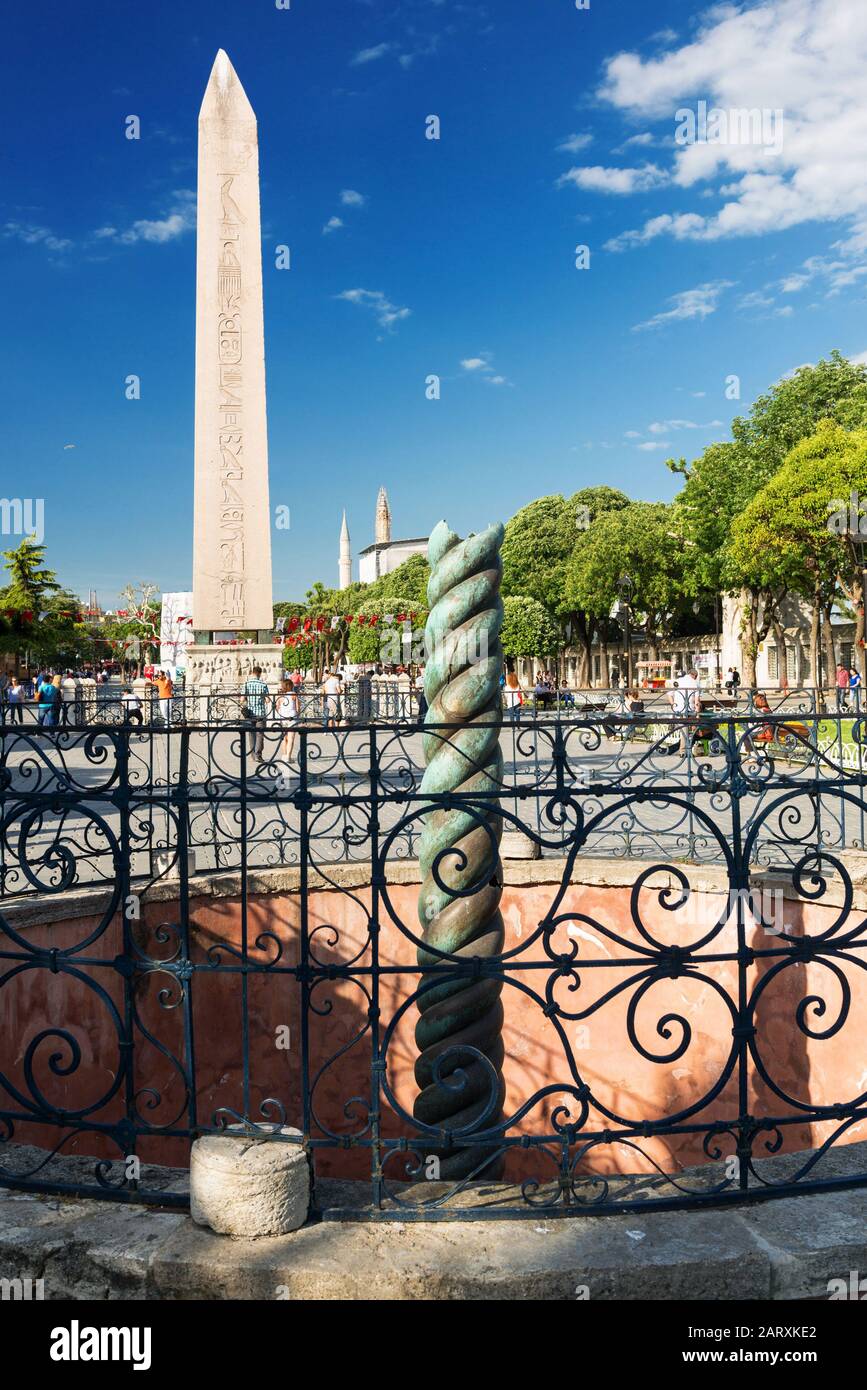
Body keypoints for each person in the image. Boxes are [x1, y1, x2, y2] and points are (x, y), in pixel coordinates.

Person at [242, 664, 270, 763]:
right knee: (260, 734)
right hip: (260, 712)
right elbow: (267, 700)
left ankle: (253, 755)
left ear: (252, 673)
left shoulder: (246, 684)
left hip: (249, 713)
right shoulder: (263, 685)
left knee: (251, 734)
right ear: (260, 673)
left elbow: (242, 699)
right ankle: (258, 754)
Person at [276, 678, 300, 763]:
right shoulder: (294, 694)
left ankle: (284, 755)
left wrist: (281, 713)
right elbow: (298, 708)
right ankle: (288, 757)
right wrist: (297, 714)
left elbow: (277, 707)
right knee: (291, 738)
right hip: (292, 717)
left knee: (284, 738)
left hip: (283, 718)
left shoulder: (280, 696)